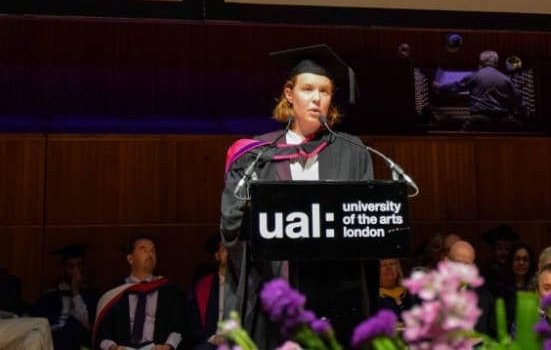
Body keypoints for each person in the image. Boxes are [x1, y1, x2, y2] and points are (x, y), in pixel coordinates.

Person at [220, 45, 375, 348]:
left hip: (335, 295)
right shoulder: (254, 155)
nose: (317, 98)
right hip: (275, 294)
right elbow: (231, 223)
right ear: (289, 94)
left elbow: (365, 222)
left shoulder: (353, 151)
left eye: (325, 91)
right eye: (308, 89)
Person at [93, 235, 185, 350]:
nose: (149, 254)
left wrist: (168, 346)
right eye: (143, 250)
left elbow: (179, 327)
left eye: (152, 250)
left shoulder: (170, 291)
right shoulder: (114, 292)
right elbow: (103, 331)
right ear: (130, 259)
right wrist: (113, 347)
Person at [31, 243, 99, 350]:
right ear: (63, 267)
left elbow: (89, 326)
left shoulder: (91, 295)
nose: (76, 271)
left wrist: (75, 291)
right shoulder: (49, 295)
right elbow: (36, 324)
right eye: (71, 266)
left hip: (78, 342)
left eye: (79, 265)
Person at [433, 50, 521, 130]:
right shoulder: (506, 79)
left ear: (481, 62)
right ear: (496, 63)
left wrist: (439, 87)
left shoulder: (475, 76)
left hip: (479, 120)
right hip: (501, 121)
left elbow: (455, 88)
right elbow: (518, 99)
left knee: (460, 140)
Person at [185, 234, 231, 349]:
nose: (230, 253)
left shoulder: (248, 284)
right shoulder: (202, 286)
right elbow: (193, 323)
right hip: (211, 342)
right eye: (225, 248)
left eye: (234, 249)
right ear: (217, 255)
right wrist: (212, 338)